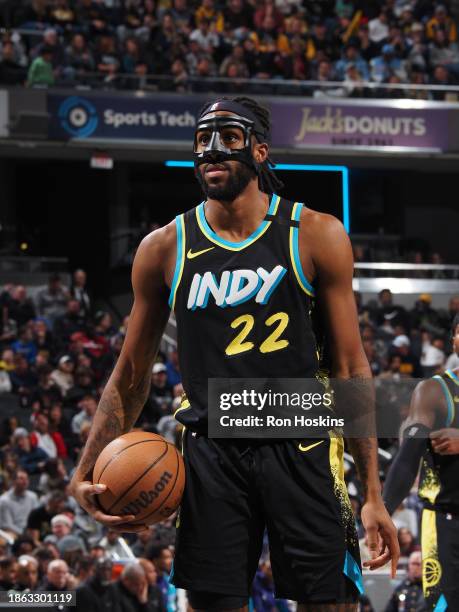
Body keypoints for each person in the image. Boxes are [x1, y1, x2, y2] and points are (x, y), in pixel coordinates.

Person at [70, 96, 399, 609]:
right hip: (211, 452)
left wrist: (373, 495)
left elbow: (351, 369)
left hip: (304, 442)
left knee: (331, 602)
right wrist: (85, 468)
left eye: (228, 137)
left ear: (261, 151)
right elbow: (132, 370)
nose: (212, 150)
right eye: (202, 140)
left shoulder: (315, 233)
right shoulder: (165, 246)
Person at [383, 314, 459, 610]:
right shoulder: (433, 391)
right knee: (441, 607)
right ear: (453, 340)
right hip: (445, 522)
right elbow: (406, 458)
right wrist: (385, 510)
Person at [0, 469, 39, 537]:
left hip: (31, 531)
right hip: (13, 532)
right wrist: (23, 535)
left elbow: (37, 518)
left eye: (26, 479)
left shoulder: (33, 496)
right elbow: (6, 525)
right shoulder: (4, 500)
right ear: (13, 481)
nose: (25, 481)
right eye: (21, 479)